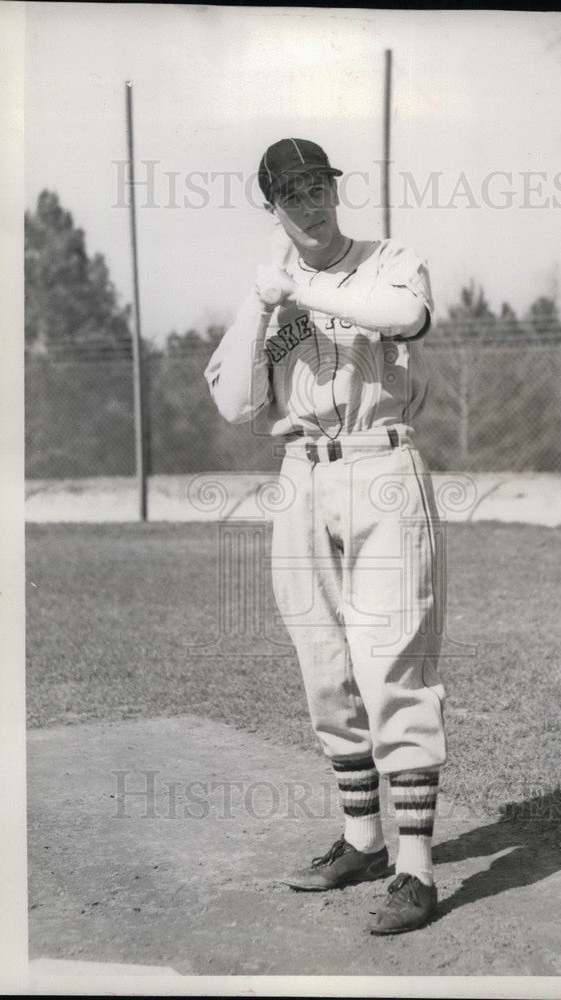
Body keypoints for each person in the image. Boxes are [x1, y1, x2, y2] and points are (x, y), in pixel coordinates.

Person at [205, 137, 447, 934]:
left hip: (381, 466)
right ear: (271, 206)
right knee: (324, 665)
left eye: (318, 188)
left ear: (334, 193)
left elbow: (406, 316)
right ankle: (362, 841)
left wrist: (304, 292)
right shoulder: (269, 293)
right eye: (292, 193)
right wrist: (261, 304)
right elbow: (235, 404)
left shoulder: (388, 259)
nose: (309, 204)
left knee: (389, 662)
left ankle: (416, 869)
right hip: (301, 474)